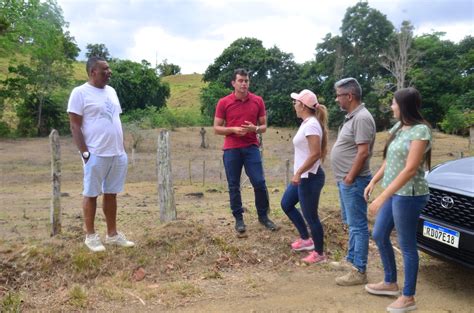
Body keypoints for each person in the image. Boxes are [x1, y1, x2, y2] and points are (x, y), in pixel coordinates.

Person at [364, 87, 431, 313]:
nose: (391, 106)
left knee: (407, 245)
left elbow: (410, 169)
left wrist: (382, 197)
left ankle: (408, 297)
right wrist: (373, 181)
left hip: (409, 195)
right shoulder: (399, 127)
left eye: (393, 103)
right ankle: (390, 282)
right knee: (380, 234)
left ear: (404, 106)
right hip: (394, 193)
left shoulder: (420, 131)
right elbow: (389, 160)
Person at [68, 56, 134, 252]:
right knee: (91, 193)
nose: (109, 72)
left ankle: (112, 234)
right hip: (95, 153)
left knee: (111, 193)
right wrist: (85, 153)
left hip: (116, 152)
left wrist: (121, 147)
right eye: (104, 69)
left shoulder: (111, 92)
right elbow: (74, 125)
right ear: (92, 72)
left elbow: (114, 119)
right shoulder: (79, 93)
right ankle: (91, 236)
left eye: (109, 69)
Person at [214, 68, 277, 234]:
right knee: (233, 185)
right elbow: (216, 128)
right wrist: (233, 129)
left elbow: (263, 127)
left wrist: (254, 128)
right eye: (240, 81)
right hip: (231, 149)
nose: (244, 84)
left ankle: (263, 217)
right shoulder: (223, 102)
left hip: (251, 148)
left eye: (246, 81)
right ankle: (239, 219)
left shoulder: (258, 101)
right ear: (233, 83)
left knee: (259, 182)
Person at [330, 77, 376, 285]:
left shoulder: (362, 118)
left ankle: (359, 270)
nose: (336, 99)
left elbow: (363, 152)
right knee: (351, 223)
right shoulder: (352, 117)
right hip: (346, 181)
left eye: (338, 95)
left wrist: (349, 177)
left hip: (354, 181)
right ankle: (351, 260)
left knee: (358, 226)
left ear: (349, 96)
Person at [281, 89, 329, 264]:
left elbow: (315, 153)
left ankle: (319, 253)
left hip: (310, 177)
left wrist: (299, 172)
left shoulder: (311, 125)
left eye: (296, 102)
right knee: (286, 203)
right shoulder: (306, 123)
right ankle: (306, 240)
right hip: (303, 176)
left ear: (302, 105)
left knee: (311, 216)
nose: (294, 104)